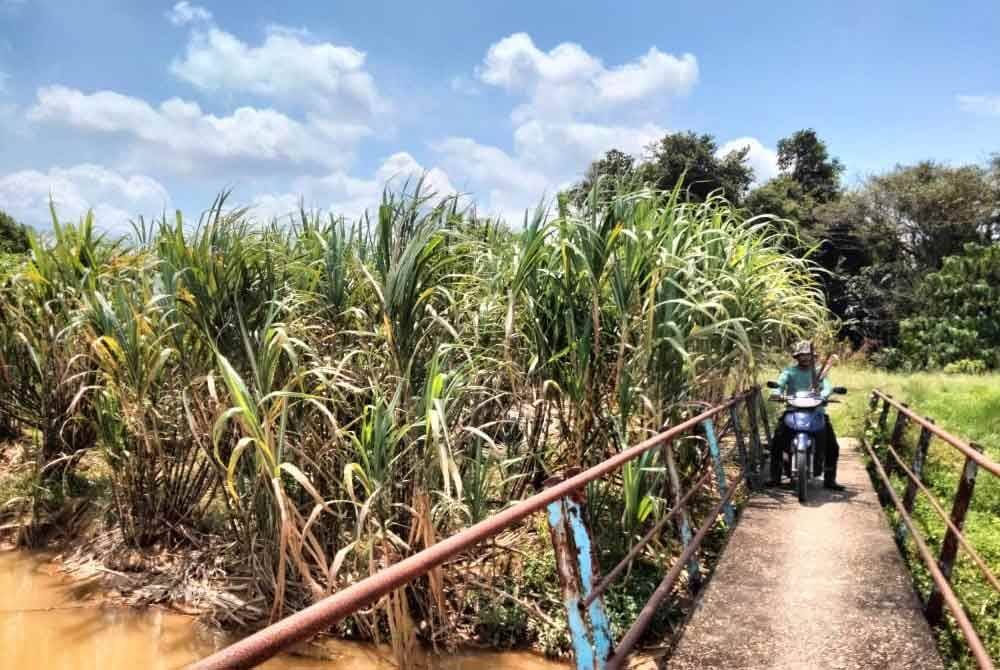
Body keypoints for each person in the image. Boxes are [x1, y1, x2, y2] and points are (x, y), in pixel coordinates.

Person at [767, 341, 845, 491]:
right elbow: (780, 384)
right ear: (797, 357)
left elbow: (827, 387)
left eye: (808, 355)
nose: (805, 358)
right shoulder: (789, 372)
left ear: (813, 357)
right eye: (802, 355)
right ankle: (775, 477)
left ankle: (830, 480)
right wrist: (776, 392)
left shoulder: (818, 374)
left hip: (816, 412)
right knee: (776, 442)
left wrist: (824, 394)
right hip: (793, 410)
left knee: (832, 446)